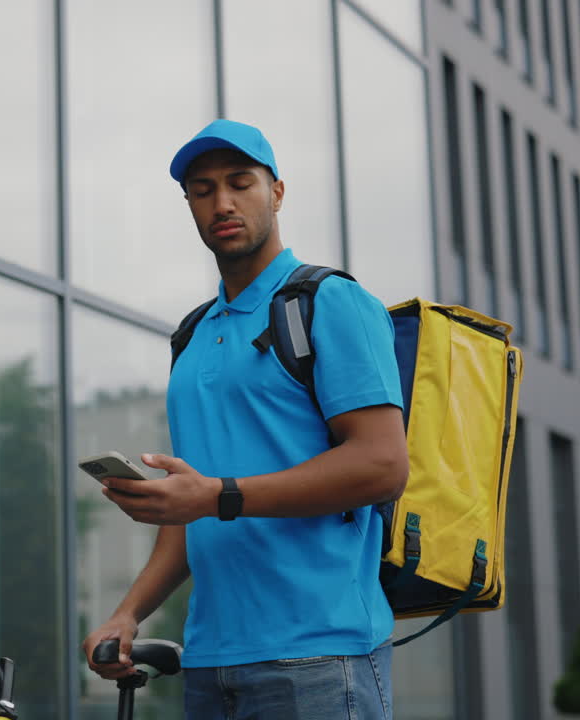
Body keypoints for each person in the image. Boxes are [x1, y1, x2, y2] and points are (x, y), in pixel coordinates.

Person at [81, 119, 408, 720]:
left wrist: (216, 495)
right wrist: (129, 612)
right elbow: (196, 512)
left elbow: (382, 465)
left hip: (318, 657)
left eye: (240, 183)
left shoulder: (331, 302)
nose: (222, 203)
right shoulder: (193, 335)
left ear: (276, 192)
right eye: (202, 191)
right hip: (210, 661)